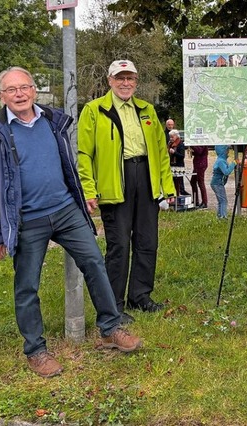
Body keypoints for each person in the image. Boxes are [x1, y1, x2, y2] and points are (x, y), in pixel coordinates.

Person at [0, 66, 142, 378]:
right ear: (1, 96)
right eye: (12, 90)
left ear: (34, 90)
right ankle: (36, 351)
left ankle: (110, 327)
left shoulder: (52, 121)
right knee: (27, 286)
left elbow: (68, 165)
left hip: (66, 210)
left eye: (25, 87)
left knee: (94, 262)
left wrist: (82, 195)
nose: (20, 94)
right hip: (28, 220)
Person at [78, 60, 176, 319]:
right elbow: (84, 154)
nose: (125, 83)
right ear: (109, 80)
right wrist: (89, 188)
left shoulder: (146, 110)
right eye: (119, 78)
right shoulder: (94, 110)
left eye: (129, 78)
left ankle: (140, 296)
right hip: (114, 183)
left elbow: (160, 153)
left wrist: (167, 186)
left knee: (147, 242)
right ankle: (114, 306)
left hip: (145, 178)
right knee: (119, 246)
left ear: (136, 81)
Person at [210, 145, 236, 219]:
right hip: (217, 183)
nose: (228, 151)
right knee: (223, 201)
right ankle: (223, 216)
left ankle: (219, 216)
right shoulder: (221, 161)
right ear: (223, 151)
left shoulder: (221, 159)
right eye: (227, 149)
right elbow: (226, 172)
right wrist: (234, 163)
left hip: (217, 183)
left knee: (221, 201)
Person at [168, 129, 189, 196]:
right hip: (171, 164)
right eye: (170, 137)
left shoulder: (180, 144)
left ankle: (181, 196)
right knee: (173, 182)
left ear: (176, 136)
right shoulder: (170, 143)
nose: (171, 138)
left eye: (172, 137)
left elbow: (182, 156)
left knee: (179, 183)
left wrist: (174, 153)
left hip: (179, 165)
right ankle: (174, 196)